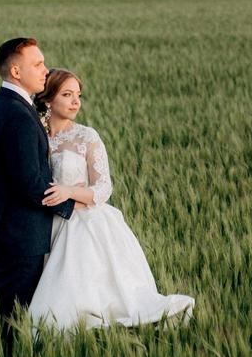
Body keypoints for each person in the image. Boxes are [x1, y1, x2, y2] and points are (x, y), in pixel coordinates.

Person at [25, 69, 194, 331]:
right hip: (47, 222)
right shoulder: (35, 136)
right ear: (47, 100)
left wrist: (69, 191)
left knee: (93, 291)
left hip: (85, 221)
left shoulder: (86, 136)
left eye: (78, 95)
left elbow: (104, 188)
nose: (75, 102)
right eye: (67, 94)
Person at [0, 38, 75, 357]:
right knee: (15, 320)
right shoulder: (17, 113)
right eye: (37, 64)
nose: (45, 70)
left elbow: (8, 166)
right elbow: (28, 182)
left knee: (19, 316)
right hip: (19, 234)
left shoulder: (4, 105)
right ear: (16, 70)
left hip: (13, 229)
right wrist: (73, 208)